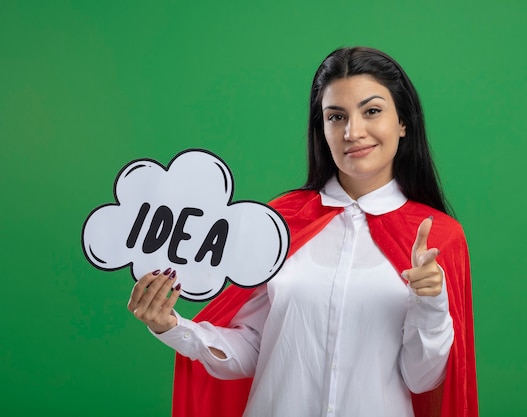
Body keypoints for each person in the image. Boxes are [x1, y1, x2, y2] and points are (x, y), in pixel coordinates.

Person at [128, 46, 478, 417]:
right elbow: (253, 348)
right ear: (321, 128)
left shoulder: (440, 237)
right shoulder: (281, 221)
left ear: (403, 122)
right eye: (336, 116)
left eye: (372, 111)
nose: (353, 132)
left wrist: (430, 303)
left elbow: (423, 379)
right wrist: (175, 327)